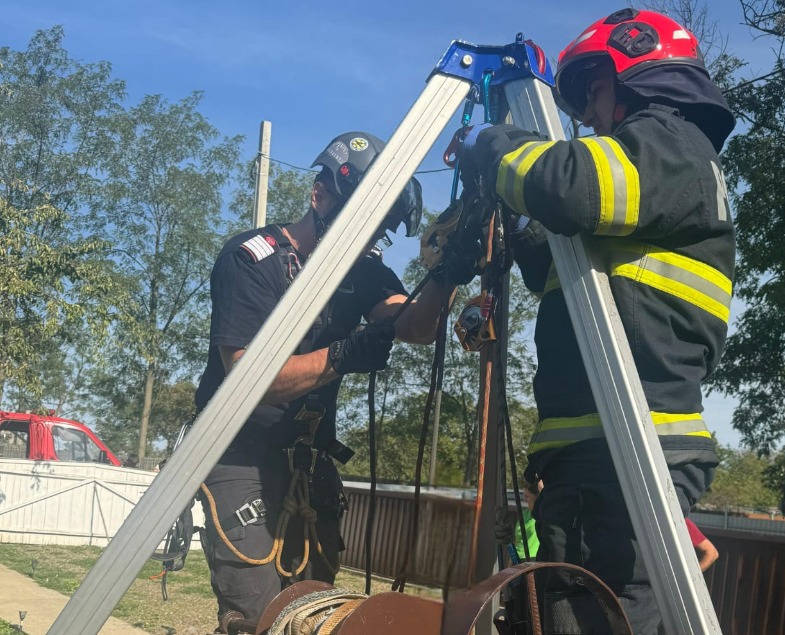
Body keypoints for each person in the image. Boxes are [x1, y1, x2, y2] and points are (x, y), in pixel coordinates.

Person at [460, 8, 735, 633]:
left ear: (639, 72)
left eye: (594, 91)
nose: (585, 114)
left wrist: (492, 144)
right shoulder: (662, 177)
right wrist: (510, 230)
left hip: (620, 446)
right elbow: (566, 262)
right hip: (611, 449)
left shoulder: (669, 140)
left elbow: (571, 186)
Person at [193, 131, 462, 626]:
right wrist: (342, 354)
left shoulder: (361, 271)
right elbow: (246, 380)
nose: (366, 240)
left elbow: (416, 326)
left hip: (310, 459)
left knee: (315, 614)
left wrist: (449, 270)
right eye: (359, 222)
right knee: (257, 616)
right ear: (320, 197)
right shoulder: (253, 260)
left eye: (376, 231)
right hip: (239, 453)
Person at [513, 478, 543, 561]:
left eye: (527, 496)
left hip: (532, 560)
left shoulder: (542, 516)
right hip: (516, 560)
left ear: (537, 497)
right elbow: (517, 541)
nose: (524, 499)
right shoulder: (524, 514)